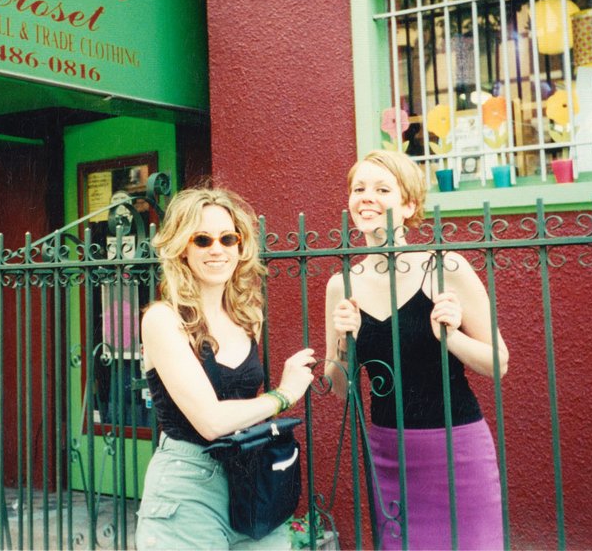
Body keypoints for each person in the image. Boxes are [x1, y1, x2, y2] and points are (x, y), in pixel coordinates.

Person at [324, 150, 510, 550]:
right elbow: (339, 386)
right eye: (359, 189)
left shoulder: (446, 268)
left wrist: (452, 338)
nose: (366, 197)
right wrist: (343, 341)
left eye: (381, 189)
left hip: (457, 451)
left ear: (408, 205)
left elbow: (499, 363)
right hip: (388, 453)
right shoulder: (342, 286)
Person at [136, 185, 316, 550]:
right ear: (181, 248)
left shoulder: (248, 316)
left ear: (240, 246)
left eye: (227, 238)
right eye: (202, 239)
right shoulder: (163, 320)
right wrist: (283, 395)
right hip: (188, 482)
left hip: (251, 477)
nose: (217, 249)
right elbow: (211, 421)